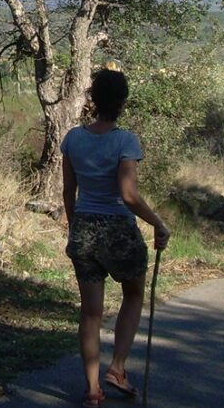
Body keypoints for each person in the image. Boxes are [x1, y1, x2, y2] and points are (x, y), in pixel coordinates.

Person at [61, 69, 171, 408]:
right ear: (122, 102)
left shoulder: (73, 139)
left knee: (91, 312)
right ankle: (118, 369)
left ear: (93, 100)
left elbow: (69, 192)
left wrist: (75, 225)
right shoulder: (126, 141)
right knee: (134, 294)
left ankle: (93, 389)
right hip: (119, 231)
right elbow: (128, 195)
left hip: (84, 229)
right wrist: (159, 223)